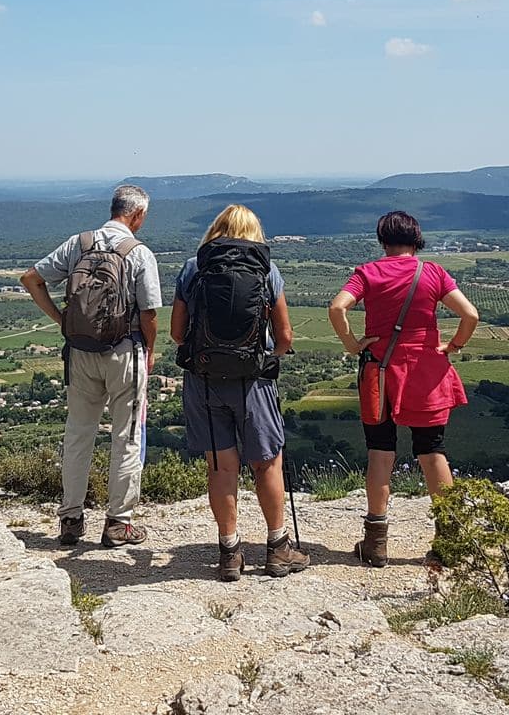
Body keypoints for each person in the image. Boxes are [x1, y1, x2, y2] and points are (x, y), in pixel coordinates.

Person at [327, 211, 479, 568]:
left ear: (383, 240)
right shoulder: (433, 273)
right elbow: (470, 315)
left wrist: (352, 344)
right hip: (426, 373)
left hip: (380, 373)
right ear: (417, 239)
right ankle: (449, 541)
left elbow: (337, 307)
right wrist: (454, 345)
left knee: (380, 452)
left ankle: (376, 544)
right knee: (432, 450)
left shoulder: (368, 272)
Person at [172, 204, 309, 582]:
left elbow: (178, 334)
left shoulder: (193, 268)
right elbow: (284, 337)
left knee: (221, 466)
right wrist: (267, 357)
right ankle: (278, 549)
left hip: (204, 381)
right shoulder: (267, 270)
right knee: (267, 463)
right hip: (254, 381)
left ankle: (229, 553)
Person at [21, 184, 163, 548]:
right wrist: (149, 350)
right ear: (137, 215)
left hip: (80, 352)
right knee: (126, 436)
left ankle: (70, 519)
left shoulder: (78, 244)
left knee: (78, 434)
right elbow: (149, 313)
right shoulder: (138, 252)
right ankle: (118, 523)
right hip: (125, 351)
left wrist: (62, 322)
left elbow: (31, 279)